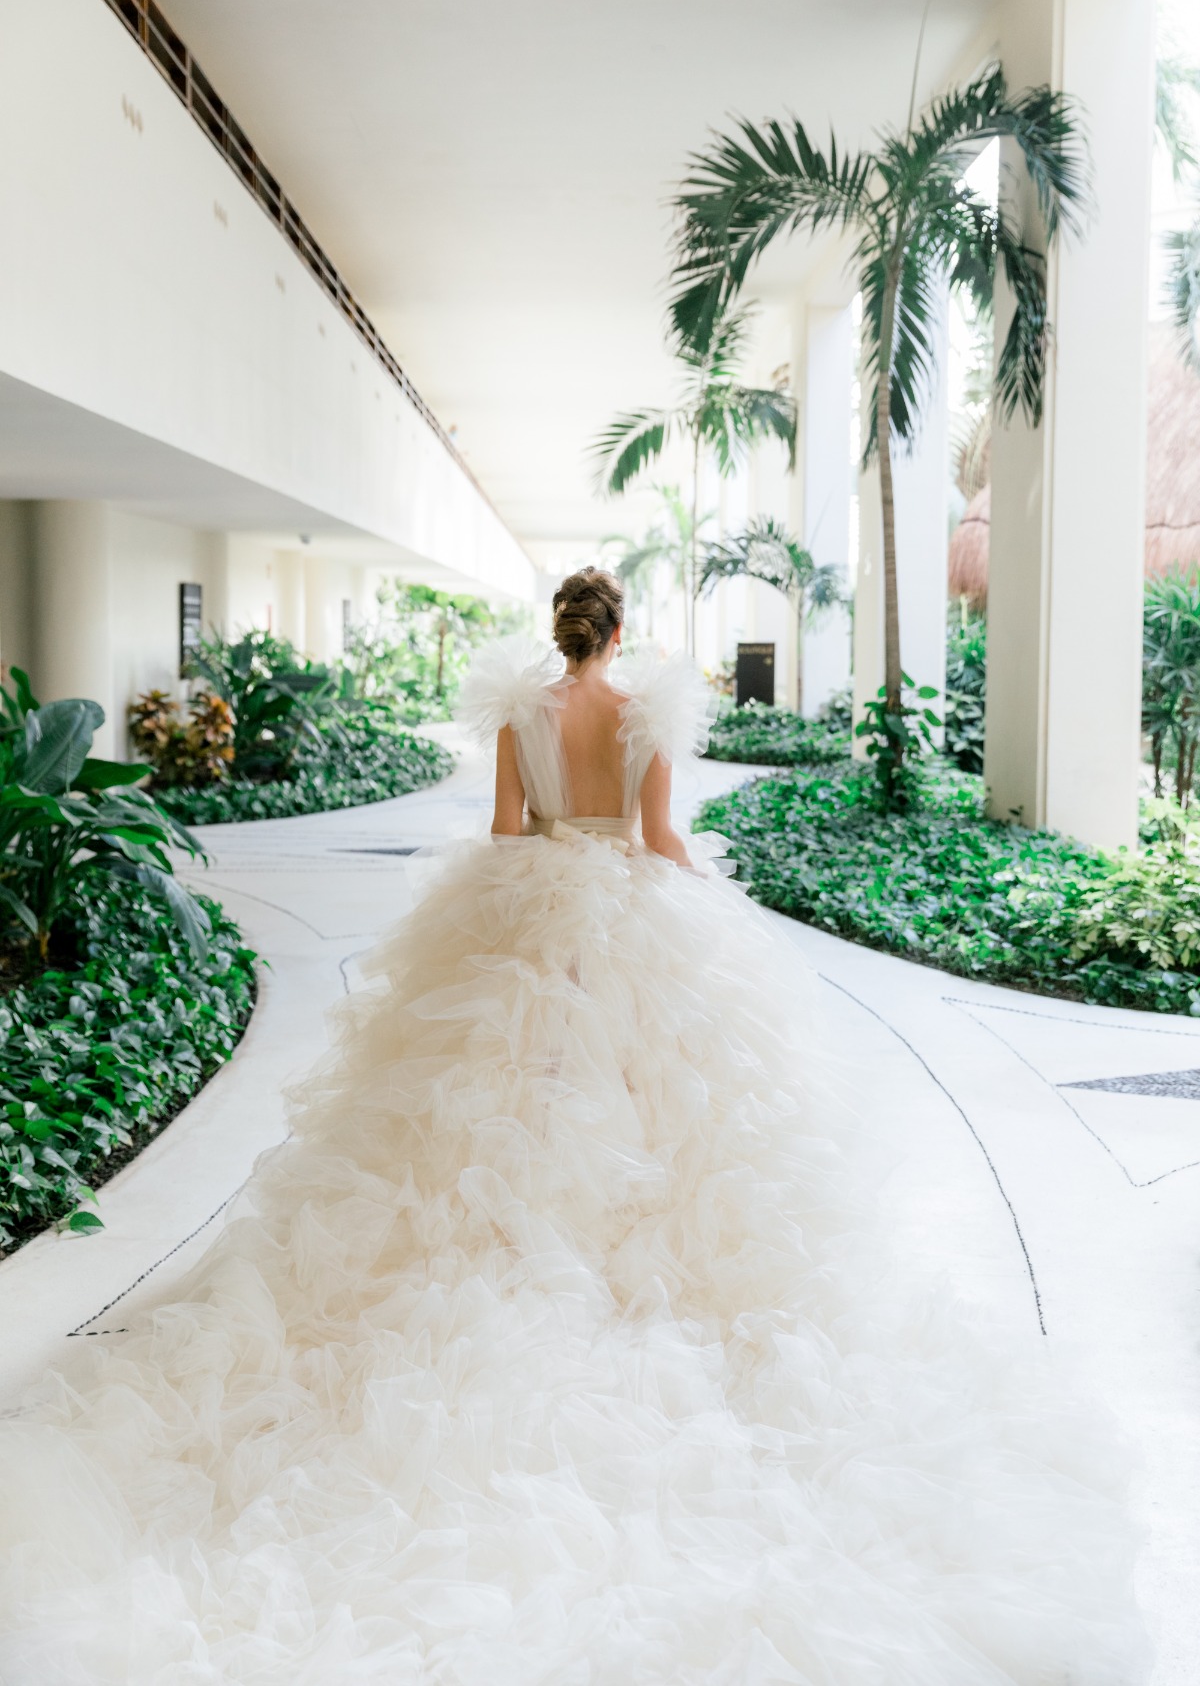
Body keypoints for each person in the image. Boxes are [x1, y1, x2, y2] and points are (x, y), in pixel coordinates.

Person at [0, 565, 1145, 1684]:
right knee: (654, 1093)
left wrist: (540, 874)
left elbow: (507, 832)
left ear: (560, 634)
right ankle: (628, 1249)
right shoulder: (643, 712)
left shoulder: (522, 717)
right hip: (628, 918)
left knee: (511, 1086)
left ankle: (513, 1233)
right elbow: (655, 840)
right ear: (618, 632)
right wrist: (702, 895)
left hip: (532, 910)